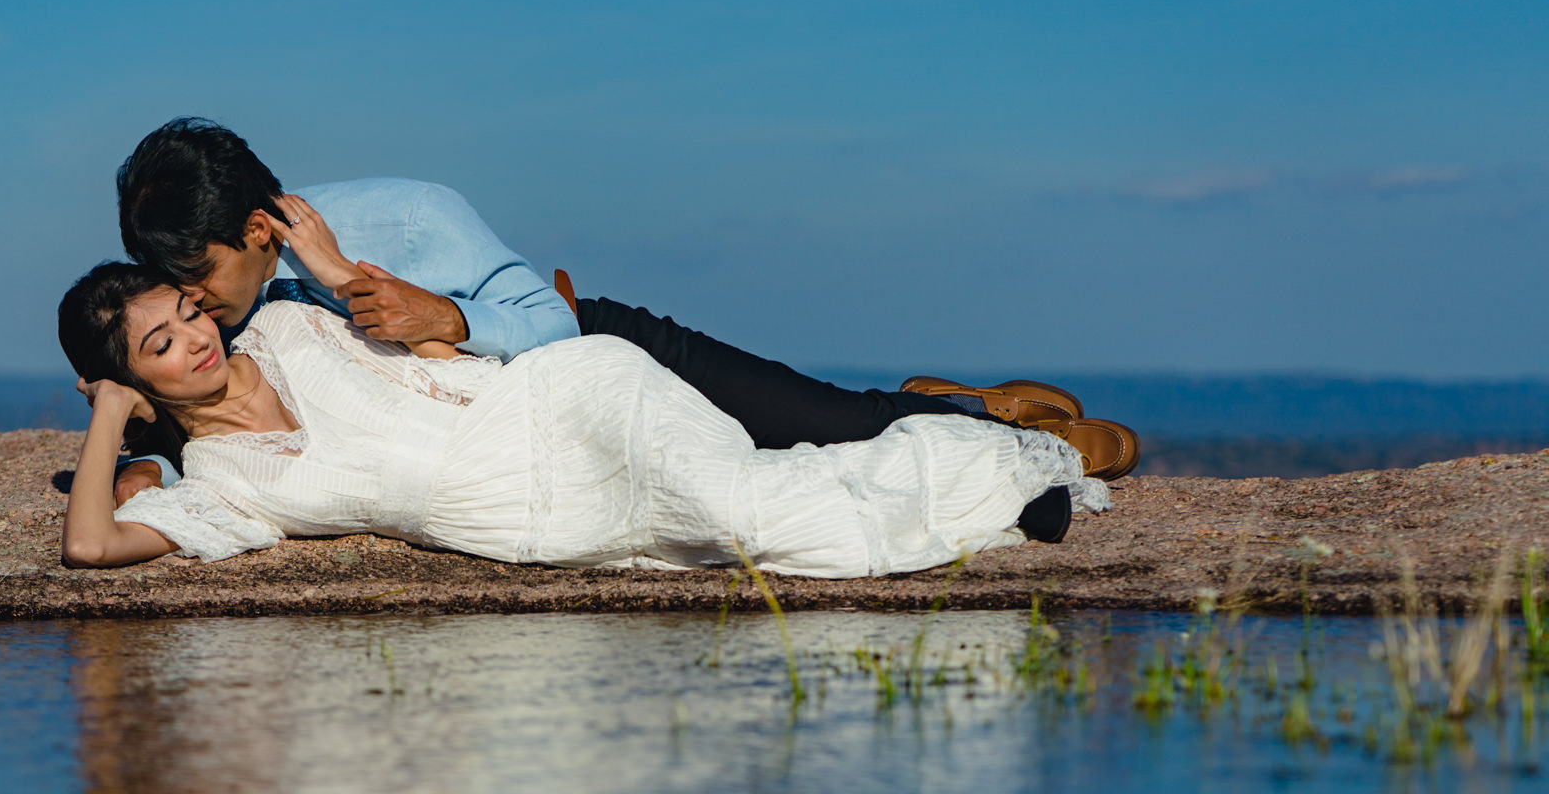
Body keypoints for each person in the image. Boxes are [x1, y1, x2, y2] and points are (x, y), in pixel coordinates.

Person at [108, 118, 1139, 499]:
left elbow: (545, 325)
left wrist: (451, 322)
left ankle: (965, 417)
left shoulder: (405, 216)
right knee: (763, 480)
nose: (190, 305)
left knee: (826, 430)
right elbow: (178, 406)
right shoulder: (201, 316)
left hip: (594, 348)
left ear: (256, 228)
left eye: (199, 274)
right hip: (527, 442)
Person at [56, 261, 1106, 577]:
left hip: (564, 395)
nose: (196, 336)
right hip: (511, 512)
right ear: (128, 384)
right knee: (736, 527)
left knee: (739, 498)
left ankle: (1014, 477)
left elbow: (431, 343)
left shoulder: (286, 326)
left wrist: (338, 269)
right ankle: (994, 484)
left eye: (189, 311)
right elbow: (93, 543)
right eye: (159, 346)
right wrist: (110, 420)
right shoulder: (226, 487)